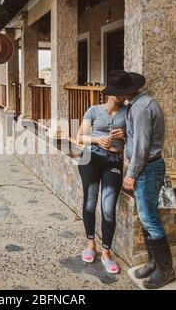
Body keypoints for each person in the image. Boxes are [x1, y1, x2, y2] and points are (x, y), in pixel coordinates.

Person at [115, 70, 176, 289]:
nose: (116, 96)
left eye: (118, 92)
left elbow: (142, 146)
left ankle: (166, 270)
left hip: (146, 169)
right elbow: (139, 137)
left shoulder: (140, 107)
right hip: (149, 167)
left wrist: (131, 174)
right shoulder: (143, 103)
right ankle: (153, 262)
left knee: (150, 218)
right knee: (146, 216)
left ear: (127, 91)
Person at [76, 72, 127, 275]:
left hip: (114, 160)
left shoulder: (128, 112)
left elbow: (134, 137)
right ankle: (91, 244)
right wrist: (98, 140)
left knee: (108, 207)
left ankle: (106, 253)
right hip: (90, 158)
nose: (124, 95)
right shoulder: (94, 111)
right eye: (121, 92)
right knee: (90, 202)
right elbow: (80, 137)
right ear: (112, 93)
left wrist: (125, 135)